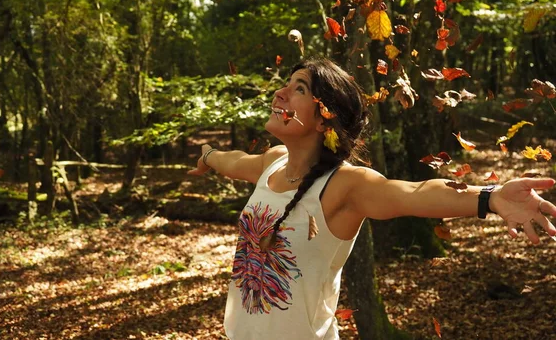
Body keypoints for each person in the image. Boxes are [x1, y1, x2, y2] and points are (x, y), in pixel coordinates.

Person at [187, 57, 556, 340]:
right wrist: (207, 156)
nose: (280, 93)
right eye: (286, 84)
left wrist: (489, 197)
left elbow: (414, 193)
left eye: (299, 89)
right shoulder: (273, 162)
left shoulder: (345, 185)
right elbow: (234, 161)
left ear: (323, 120)